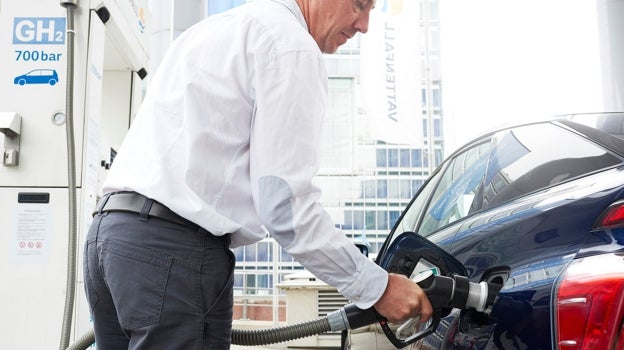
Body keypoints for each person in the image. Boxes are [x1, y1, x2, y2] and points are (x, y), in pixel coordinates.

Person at [83, 0, 433, 348]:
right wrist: (378, 287)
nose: (365, 25)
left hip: (109, 239)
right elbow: (285, 210)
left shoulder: (211, 31)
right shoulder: (290, 45)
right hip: (172, 253)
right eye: (359, 4)